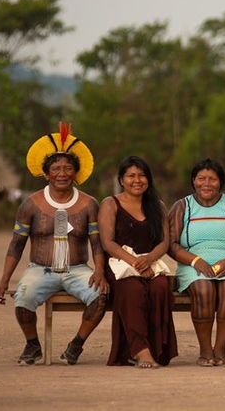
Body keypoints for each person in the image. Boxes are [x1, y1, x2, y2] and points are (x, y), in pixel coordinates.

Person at [0, 123, 108, 366]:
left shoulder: (89, 204)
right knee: (23, 298)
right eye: (56, 168)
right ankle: (32, 345)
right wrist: (5, 279)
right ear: (47, 174)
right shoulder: (31, 204)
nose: (62, 173)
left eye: (68, 168)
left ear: (76, 173)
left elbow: (97, 243)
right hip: (40, 269)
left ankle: (75, 345)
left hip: (78, 269)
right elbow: (16, 244)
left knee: (100, 297)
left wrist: (99, 270)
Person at [168, 158, 225, 367]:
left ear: (220, 182)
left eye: (212, 179)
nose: (207, 183)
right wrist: (196, 261)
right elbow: (170, 243)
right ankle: (205, 350)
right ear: (193, 181)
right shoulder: (182, 206)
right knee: (203, 289)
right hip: (192, 264)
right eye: (201, 179)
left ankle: (220, 349)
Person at [98, 156, 178, 369]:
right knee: (132, 289)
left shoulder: (157, 206)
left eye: (142, 175)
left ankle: (157, 349)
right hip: (120, 265)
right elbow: (107, 243)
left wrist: (149, 259)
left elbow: (164, 241)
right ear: (121, 180)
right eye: (131, 176)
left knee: (160, 287)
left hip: (150, 263)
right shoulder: (110, 204)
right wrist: (135, 263)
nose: (137, 180)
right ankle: (139, 351)